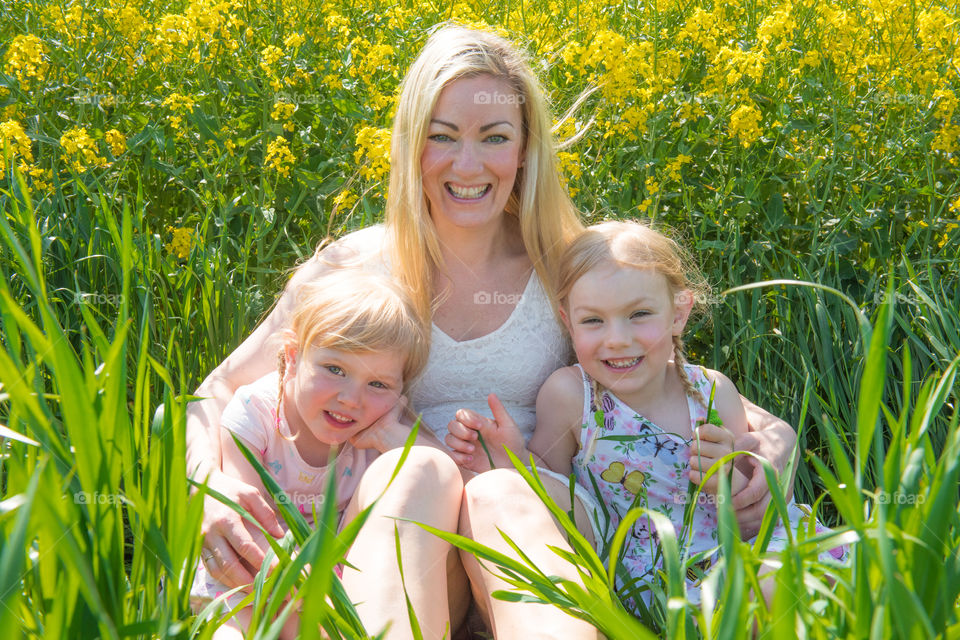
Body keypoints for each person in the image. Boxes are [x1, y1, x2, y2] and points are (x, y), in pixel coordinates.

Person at [186, 24, 799, 639]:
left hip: (540, 531)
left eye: (494, 138)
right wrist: (206, 488)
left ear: (525, 150)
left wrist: (775, 443)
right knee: (420, 474)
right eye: (442, 137)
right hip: (385, 544)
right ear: (409, 145)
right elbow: (211, 396)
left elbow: (670, 382)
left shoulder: (563, 269)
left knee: (499, 493)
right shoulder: (355, 271)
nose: (468, 165)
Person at [447, 220, 847, 610]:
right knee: (768, 593)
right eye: (593, 320)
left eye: (639, 314)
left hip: (743, 547)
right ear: (567, 321)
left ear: (678, 313)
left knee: (820, 573)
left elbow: (755, 507)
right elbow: (560, 497)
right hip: (660, 573)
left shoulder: (712, 392)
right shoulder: (571, 396)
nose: (617, 339)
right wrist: (513, 457)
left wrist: (729, 472)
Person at [190, 269, 445, 638]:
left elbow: (439, 476)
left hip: (331, 579)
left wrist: (393, 434)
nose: (351, 399)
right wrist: (302, 584)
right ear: (292, 356)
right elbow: (247, 524)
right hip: (250, 571)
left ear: (400, 393)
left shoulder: (374, 437)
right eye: (335, 369)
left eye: (377, 384)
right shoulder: (255, 414)